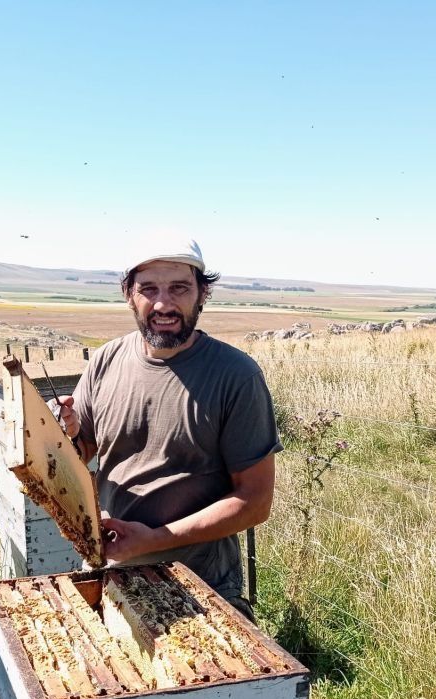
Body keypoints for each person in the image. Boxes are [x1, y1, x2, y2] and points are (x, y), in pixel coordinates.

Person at [58, 238, 282, 617]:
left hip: (201, 584)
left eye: (179, 288)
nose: (163, 304)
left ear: (202, 293)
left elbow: (255, 502)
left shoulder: (236, 376)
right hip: (109, 567)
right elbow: (82, 451)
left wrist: (156, 540)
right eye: (148, 289)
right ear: (128, 294)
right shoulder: (106, 360)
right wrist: (64, 432)